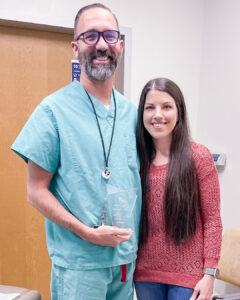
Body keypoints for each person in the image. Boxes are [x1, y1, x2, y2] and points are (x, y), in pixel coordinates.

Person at [11, 3, 141, 300]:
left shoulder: (133, 114)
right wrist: (85, 232)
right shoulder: (53, 111)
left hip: (124, 260)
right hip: (79, 264)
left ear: (120, 45)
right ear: (75, 46)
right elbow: (36, 192)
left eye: (109, 36)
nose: (101, 44)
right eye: (90, 36)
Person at [134, 77, 222, 300]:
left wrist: (209, 274)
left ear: (179, 112)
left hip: (189, 277)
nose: (157, 115)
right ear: (141, 114)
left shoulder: (199, 157)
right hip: (145, 274)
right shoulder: (136, 159)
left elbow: (212, 220)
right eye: (150, 107)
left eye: (166, 107)